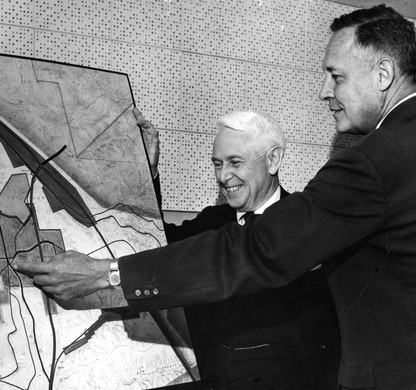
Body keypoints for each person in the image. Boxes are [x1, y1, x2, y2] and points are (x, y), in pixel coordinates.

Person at [14, 5, 416, 389]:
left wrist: (108, 274)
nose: (324, 91)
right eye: (217, 163)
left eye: (336, 76)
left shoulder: (375, 160)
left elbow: (263, 249)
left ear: (384, 73)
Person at [137, 108, 340, 389]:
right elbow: (152, 243)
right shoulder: (209, 222)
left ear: (273, 160)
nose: (223, 176)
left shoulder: (306, 224)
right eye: (217, 164)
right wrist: (146, 172)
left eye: (234, 162)